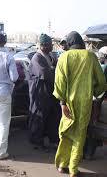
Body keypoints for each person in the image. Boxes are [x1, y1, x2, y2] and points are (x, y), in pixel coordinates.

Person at [54, 31, 107, 177]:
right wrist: (95, 93)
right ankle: (73, 169)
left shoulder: (64, 57)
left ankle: (62, 165)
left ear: (70, 43)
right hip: (85, 102)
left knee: (66, 133)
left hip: (67, 104)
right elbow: (101, 82)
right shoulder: (90, 56)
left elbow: (59, 83)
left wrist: (62, 102)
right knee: (79, 135)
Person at [28, 34, 61, 151]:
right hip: (39, 94)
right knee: (39, 117)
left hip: (49, 93)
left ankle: (53, 140)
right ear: (42, 46)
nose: (51, 47)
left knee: (53, 117)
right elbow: (45, 74)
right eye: (49, 45)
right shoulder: (37, 58)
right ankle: (37, 142)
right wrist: (55, 71)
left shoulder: (50, 56)